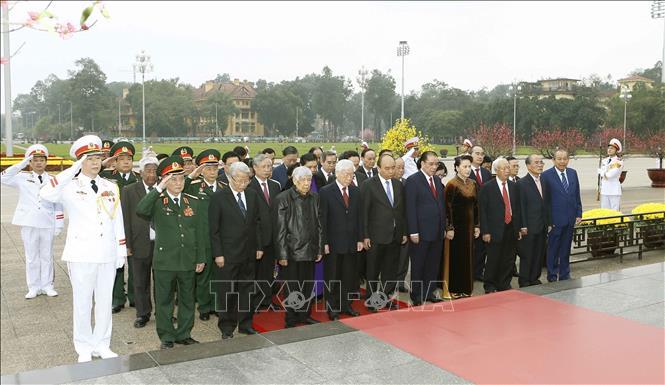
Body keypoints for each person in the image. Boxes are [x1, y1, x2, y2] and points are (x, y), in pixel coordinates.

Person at [39, 135, 126, 363]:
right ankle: (84, 347)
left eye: (98, 158)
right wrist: (73, 170)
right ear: (79, 161)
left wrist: (121, 250)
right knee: (83, 302)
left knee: (105, 302)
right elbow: (46, 193)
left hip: (107, 252)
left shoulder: (110, 186)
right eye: (90, 159)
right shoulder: (69, 187)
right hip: (81, 253)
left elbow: (117, 219)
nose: (96, 163)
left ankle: (102, 344)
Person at [136, 156, 207, 349]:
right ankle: (166, 336)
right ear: (165, 180)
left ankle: (184, 333)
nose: (178, 183)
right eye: (173, 179)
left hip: (188, 260)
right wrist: (159, 188)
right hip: (165, 261)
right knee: (164, 301)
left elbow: (200, 232)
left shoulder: (193, 201)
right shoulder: (158, 201)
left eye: (181, 179)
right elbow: (141, 209)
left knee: (187, 300)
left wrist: (201, 257)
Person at [209, 162, 268, 339]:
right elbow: (214, 229)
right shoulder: (219, 197)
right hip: (227, 254)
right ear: (231, 178)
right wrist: (217, 254)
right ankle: (226, 327)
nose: (243, 184)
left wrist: (259, 246)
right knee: (227, 291)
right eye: (240, 180)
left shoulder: (252, 194)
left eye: (246, 180)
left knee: (247, 290)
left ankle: (245, 324)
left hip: (249, 252)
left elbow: (257, 223)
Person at [1, 144, 64, 298]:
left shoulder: (53, 180)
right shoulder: (22, 178)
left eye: (41, 159)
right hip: (29, 222)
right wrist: (21, 164)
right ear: (30, 162)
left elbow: (58, 203)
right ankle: (34, 286)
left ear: (46, 162)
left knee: (46, 255)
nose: (38, 163)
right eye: (34, 160)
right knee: (31, 257)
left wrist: (59, 224)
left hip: (47, 221)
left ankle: (48, 285)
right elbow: (3, 177)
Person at [273, 166, 323, 328]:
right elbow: (279, 230)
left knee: (307, 286)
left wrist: (319, 249)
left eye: (309, 180)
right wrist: (282, 255)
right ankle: (291, 318)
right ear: (294, 181)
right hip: (291, 252)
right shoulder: (283, 198)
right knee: (292, 287)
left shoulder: (315, 198)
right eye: (302, 180)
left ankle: (305, 315)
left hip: (310, 250)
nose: (306, 183)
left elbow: (320, 226)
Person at [360, 154, 407, 311]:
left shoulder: (398, 185)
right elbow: (364, 213)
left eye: (393, 168)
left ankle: (386, 297)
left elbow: (402, 211)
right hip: (375, 236)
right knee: (373, 271)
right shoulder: (368, 185)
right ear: (378, 168)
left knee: (390, 270)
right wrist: (365, 235)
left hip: (395, 235)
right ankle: (372, 300)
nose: (391, 171)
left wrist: (404, 232)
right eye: (387, 168)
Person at [319, 159, 363, 320]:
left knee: (349, 276)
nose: (349, 177)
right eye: (346, 174)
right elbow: (322, 219)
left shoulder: (356, 191)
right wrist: (323, 242)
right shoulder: (325, 191)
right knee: (333, 276)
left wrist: (360, 238)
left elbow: (360, 217)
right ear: (337, 174)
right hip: (333, 243)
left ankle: (347, 305)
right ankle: (333, 307)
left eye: (352, 174)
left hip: (351, 243)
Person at [185, 149, 226, 321]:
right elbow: (181, 188)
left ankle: (216, 305)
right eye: (208, 168)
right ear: (202, 169)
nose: (212, 171)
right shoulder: (194, 186)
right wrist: (192, 174)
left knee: (219, 274)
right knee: (203, 275)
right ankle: (204, 307)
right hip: (202, 238)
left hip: (220, 238)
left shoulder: (224, 187)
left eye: (215, 167)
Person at [120, 154, 159, 328]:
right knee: (140, 281)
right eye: (148, 171)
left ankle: (162, 313)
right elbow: (125, 219)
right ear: (140, 173)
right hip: (139, 243)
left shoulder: (165, 188)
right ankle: (143, 314)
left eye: (154, 171)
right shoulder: (129, 191)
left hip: (161, 244)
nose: (151, 175)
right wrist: (127, 244)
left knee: (162, 282)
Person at [100, 141, 139, 314]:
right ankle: (117, 298)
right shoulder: (105, 177)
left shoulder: (138, 178)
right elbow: (85, 176)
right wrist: (102, 165)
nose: (125, 162)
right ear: (114, 161)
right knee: (116, 264)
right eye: (121, 158)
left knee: (135, 264)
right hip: (113, 227)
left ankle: (134, 297)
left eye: (128, 158)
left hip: (134, 227)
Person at [405, 151, 447, 305]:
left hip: (436, 231)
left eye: (436, 164)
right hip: (420, 232)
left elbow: (441, 206)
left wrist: (443, 227)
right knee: (418, 264)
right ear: (422, 163)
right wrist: (413, 231)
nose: (434, 167)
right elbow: (410, 208)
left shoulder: (436, 180)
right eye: (431, 164)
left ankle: (429, 292)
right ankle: (416, 294)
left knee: (433, 264)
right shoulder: (413, 181)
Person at [479, 158, 521, 293]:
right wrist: (485, 231)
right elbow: (483, 211)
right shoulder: (487, 187)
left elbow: (517, 209)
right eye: (504, 168)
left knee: (509, 258)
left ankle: (504, 283)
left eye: (508, 168)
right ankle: (490, 284)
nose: (507, 170)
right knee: (493, 259)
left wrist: (519, 228)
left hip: (511, 228)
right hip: (494, 229)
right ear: (496, 170)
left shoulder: (514, 186)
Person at [247, 153, 282, 311]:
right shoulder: (249, 187)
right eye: (264, 167)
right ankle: (255, 301)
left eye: (270, 166)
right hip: (256, 238)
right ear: (255, 168)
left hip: (273, 237)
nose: (268, 170)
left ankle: (267, 299)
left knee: (269, 272)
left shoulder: (275, 185)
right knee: (255, 272)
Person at [542, 149, 582, 282]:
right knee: (553, 248)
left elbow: (576, 195)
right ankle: (552, 275)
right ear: (553, 160)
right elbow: (545, 201)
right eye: (559, 159)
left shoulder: (572, 173)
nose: (562, 161)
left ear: (568, 159)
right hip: (555, 220)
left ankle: (565, 274)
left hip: (570, 218)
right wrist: (548, 220)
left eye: (565, 158)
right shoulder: (546, 176)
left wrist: (578, 213)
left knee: (566, 248)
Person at [444, 155, 479, 298]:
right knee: (457, 258)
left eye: (469, 166)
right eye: (464, 166)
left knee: (469, 258)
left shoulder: (473, 184)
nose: (467, 169)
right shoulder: (451, 184)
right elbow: (447, 208)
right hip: (457, 229)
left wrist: (477, 225)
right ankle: (455, 288)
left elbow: (476, 206)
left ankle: (466, 288)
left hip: (470, 228)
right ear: (457, 168)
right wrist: (449, 228)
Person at [517, 154, 551, 287]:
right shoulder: (521, 184)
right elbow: (520, 207)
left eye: (541, 162)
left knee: (539, 253)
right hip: (529, 226)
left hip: (542, 225)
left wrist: (549, 222)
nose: (540, 165)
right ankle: (524, 280)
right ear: (528, 166)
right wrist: (523, 225)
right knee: (527, 254)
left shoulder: (544, 181)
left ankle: (534, 278)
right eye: (536, 162)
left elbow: (547, 204)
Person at [469, 145, 492, 281]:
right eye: (477, 153)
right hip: (471, 215)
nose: (480, 156)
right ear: (471, 155)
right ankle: (470, 272)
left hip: (485, 215)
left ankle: (478, 271)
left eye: (482, 154)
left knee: (482, 247)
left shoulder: (487, 173)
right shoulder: (465, 172)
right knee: (472, 246)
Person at [393, 156, 410, 293]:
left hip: (405, 226)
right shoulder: (387, 184)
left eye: (403, 167)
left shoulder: (407, 183)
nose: (401, 170)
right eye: (398, 167)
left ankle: (400, 281)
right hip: (389, 228)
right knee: (392, 258)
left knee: (404, 257)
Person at [599, 138, 624, 211]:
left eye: (612, 148)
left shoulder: (619, 162)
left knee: (614, 213)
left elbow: (610, 175)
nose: (609, 150)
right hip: (604, 190)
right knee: (604, 212)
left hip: (614, 191)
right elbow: (604, 175)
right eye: (608, 148)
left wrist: (602, 172)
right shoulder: (604, 161)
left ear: (616, 150)